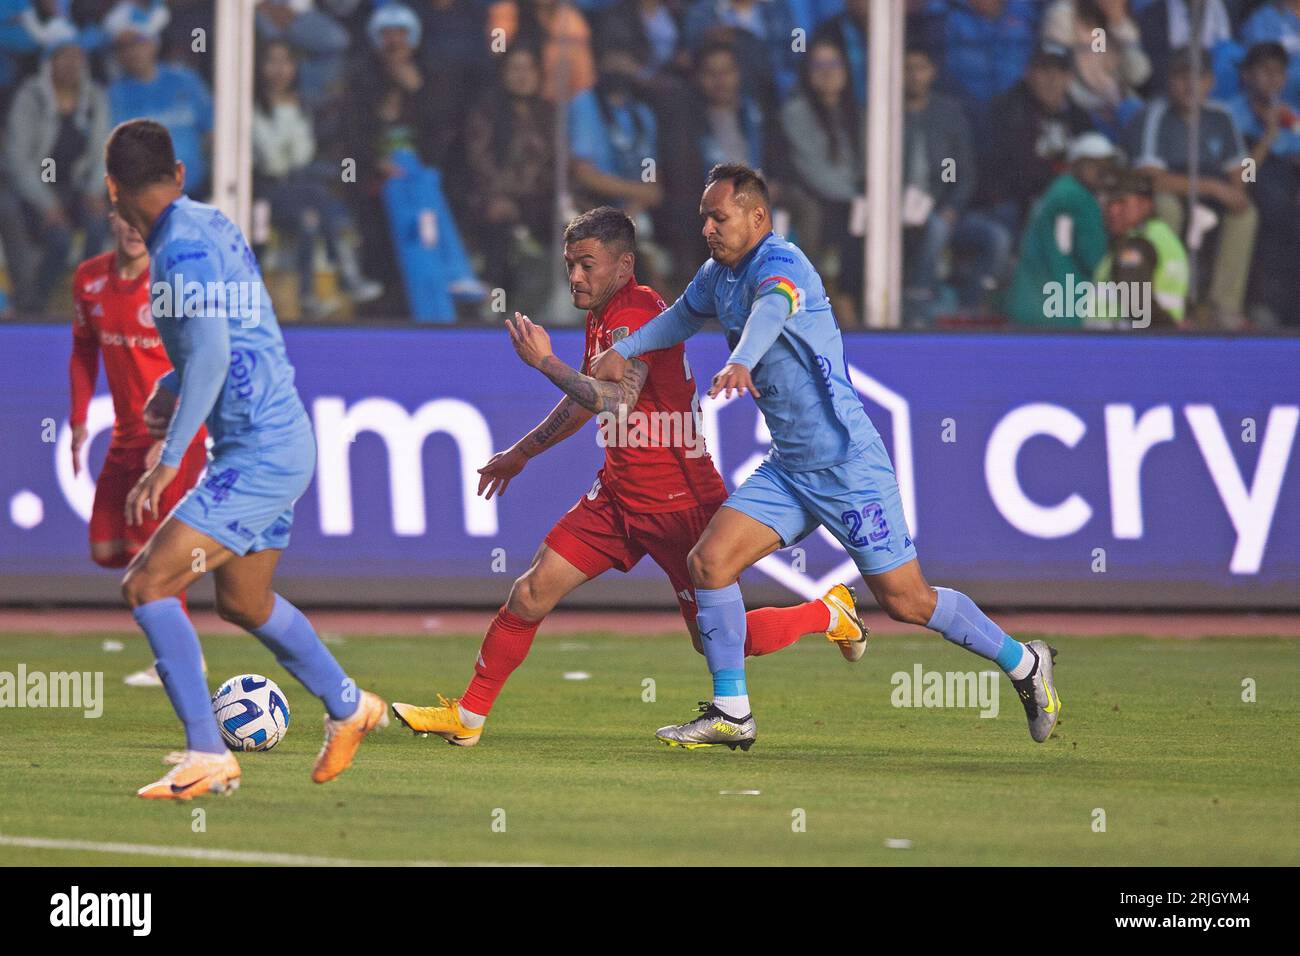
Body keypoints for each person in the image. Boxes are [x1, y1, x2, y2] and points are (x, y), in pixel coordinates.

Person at [604, 165, 1062, 749]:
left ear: (757, 217)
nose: (709, 229)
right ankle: (732, 713)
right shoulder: (717, 275)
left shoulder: (783, 265)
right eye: (704, 219)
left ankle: (1025, 664)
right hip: (790, 469)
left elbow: (771, 311)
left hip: (847, 466)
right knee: (709, 562)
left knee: (907, 601)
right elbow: (678, 319)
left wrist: (742, 360)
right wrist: (628, 346)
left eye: (719, 217)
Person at [390, 206, 867, 747]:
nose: (574, 276)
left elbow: (617, 401)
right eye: (570, 264)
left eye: (586, 265)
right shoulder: (604, 313)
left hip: (679, 501)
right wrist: (521, 453)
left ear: (624, 265)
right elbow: (587, 401)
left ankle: (827, 613)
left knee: (718, 642)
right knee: (530, 592)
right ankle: (468, 717)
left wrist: (545, 364)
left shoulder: (635, 313)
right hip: (617, 498)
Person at [106, 119, 387, 799]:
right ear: (176, 175)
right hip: (273, 437)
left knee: (147, 584)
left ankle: (208, 753)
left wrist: (169, 460)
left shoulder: (179, 253)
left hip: (258, 451)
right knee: (243, 600)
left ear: (111, 189)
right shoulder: (209, 223)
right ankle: (351, 706)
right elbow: (239, 327)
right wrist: (171, 390)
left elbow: (211, 352)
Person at [69, 209, 209, 685]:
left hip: (173, 438)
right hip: (126, 440)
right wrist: (77, 419)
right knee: (108, 547)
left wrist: (172, 439)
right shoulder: (89, 280)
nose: (132, 229)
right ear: (110, 218)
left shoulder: (171, 283)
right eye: (124, 219)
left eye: (140, 220)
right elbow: (83, 350)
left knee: (158, 547)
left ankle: (180, 658)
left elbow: (200, 362)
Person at [1124, 46, 1256, 326]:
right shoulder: (1154, 115)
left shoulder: (1222, 116)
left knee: (1246, 213)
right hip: (1168, 195)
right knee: (1166, 208)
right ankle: (1167, 300)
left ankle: (1224, 307)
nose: (1190, 85)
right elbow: (1150, 178)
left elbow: (1243, 168)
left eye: (1198, 76)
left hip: (1208, 201)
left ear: (1210, 82)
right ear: (1170, 80)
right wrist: (1213, 188)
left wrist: (1240, 190)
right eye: (1182, 76)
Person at [252, 39, 382, 318]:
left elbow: (302, 155)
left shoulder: (303, 105)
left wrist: (287, 144)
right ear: (259, 66)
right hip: (261, 192)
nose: (279, 70)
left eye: (285, 62)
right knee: (317, 196)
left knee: (309, 221)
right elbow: (271, 159)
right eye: (271, 61)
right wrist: (287, 149)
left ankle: (308, 296)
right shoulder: (251, 107)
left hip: (296, 190)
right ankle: (348, 275)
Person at [3, 22, 110, 312]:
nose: (72, 64)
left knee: (98, 224)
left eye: (77, 57)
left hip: (75, 188)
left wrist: (93, 191)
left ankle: (87, 298)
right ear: (49, 62)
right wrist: (47, 204)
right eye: (64, 57)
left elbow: (103, 148)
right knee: (59, 242)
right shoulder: (30, 97)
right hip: (36, 189)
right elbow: (16, 159)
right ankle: (33, 302)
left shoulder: (93, 98)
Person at [1005, 132, 1117, 326]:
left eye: (1106, 165)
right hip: (1062, 308)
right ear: (1076, 165)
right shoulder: (1078, 199)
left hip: (1031, 301)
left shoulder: (1057, 190)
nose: (1102, 171)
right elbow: (1093, 257)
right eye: (1094, 165)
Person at [1225, 41, 1300, 327]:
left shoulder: (1292, 115)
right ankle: (1264, 305)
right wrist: (1269, 134)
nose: (1273, 79)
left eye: (1279, 72)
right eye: (1265, 71)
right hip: (1251, 184)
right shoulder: (1231, 114)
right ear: (1246, 75)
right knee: (1271, 206)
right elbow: (1244, 173)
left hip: (1288, 185)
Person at [1095, 168, 1189, 327]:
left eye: (1121, 202)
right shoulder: (1161, 236)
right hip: (1154, 342)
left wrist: (1171, 329)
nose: (1112, 210)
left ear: (1145, 205)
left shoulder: (1137, 244)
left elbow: (1136, 302)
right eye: (1109, 203)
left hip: (1128, 343)